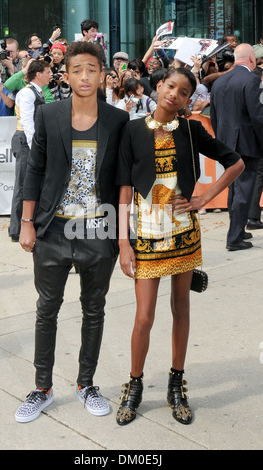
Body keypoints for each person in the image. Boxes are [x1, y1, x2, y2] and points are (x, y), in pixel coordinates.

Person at [115, 67, 244, 426]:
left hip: (184, 231)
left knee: (181, 308)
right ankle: (135, 385)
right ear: (158, 86)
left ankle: (176, 382)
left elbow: (235, 163)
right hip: (145, 232)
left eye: (184, 92)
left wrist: (203, 199)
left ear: (189, 100)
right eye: (170, 86)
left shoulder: (192, 129)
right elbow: (124, 188)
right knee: (144, 316)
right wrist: (123, 241)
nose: (175, 94)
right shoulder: (131, 129)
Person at [14, 41, 129, 423]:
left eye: (91, 70)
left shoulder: (117, 120)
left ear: (102, 75)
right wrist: (27, 222)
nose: (84, 76)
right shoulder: (49, 115)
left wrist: (122, 239)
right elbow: (35, 169)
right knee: (47, 309)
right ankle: (42, 388)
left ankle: (86, 384)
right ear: (67, 74)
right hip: (53, 229)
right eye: (77, 69)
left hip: (99, 229)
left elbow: (123, 182)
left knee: (93, 309)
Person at [211, 43, 263, 250]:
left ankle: (238, 229)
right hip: (246, 144)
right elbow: (258, 116)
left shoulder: (219, 81)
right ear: (251, 59)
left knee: (234, 189)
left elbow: (214, 117)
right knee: (243, 191)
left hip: (226, 143)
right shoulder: (252, 80)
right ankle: (234, 238)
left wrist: (221, 141)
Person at [9, 60, 52, 242]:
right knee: (22, 185)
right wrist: (35, 147)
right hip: (25, 140)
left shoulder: (38, 91)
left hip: (31, 141)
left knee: (30, 184)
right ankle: (16, 229)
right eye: (48, 71)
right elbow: (27, 122)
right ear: (38, 74)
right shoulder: (27, 92)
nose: (51, 74)